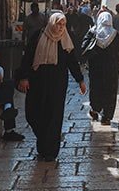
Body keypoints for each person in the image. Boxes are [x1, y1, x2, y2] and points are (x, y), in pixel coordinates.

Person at [16, 12, 86, 161]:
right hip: (38, 82)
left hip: (57, 84)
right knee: (34, 113)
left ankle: (50, 151)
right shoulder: (39, 36)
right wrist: (23, 77)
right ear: (51, 23)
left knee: (54, 116)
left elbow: (72, 62)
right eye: (58, 24)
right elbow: (28, 57)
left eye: (63, 25)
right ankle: (43, 143)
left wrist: (80, 80)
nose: (60, 28)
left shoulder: (65, 40)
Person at [87, 11, 119, 125]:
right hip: (111, 69)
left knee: (96, 88)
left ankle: (95, 110)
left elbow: (84, 46)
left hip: (95, 69)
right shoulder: (115, 35)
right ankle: (106, 117)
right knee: (110, 91)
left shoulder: (92, 32)